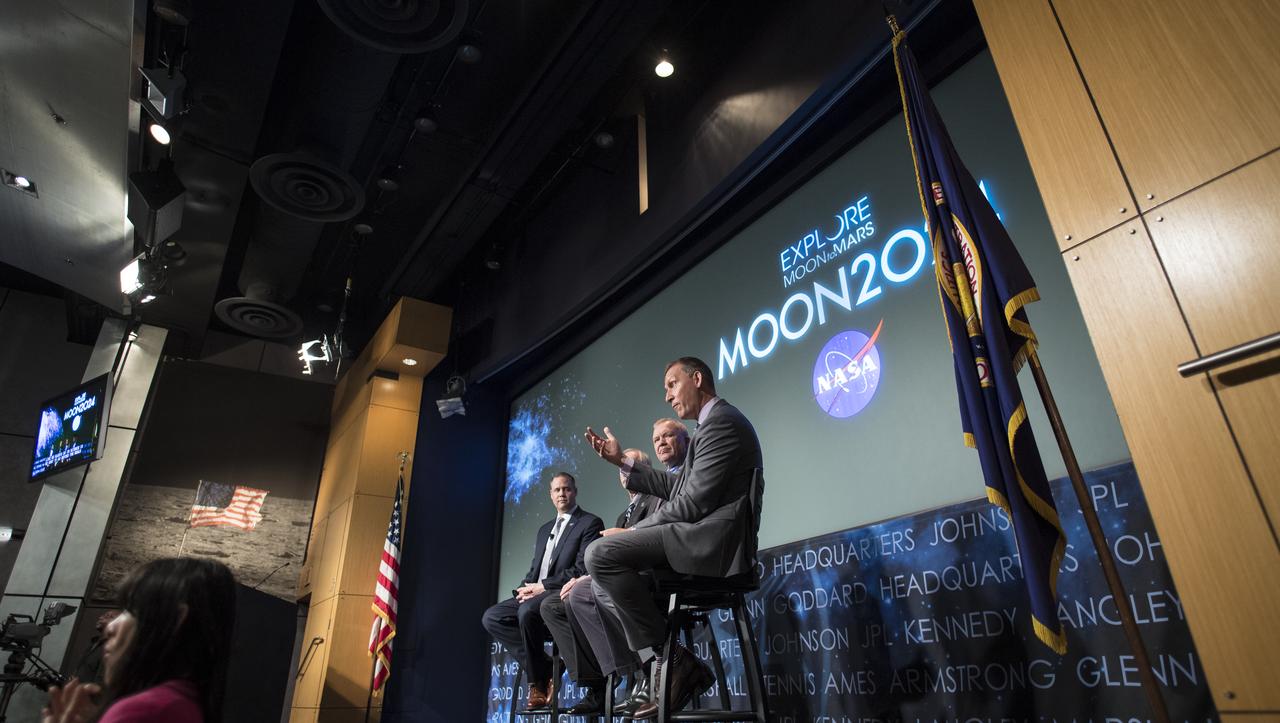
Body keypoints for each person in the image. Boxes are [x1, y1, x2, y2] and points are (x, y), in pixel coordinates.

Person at [585, 357, 763, 719]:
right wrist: (623, 461)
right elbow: (678, 486)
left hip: (711, 545)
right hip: (695, 536)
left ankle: (671, 662)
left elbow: (692, 504)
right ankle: (671, 661)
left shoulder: (722, 424)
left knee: (601, 555)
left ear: (696, 379)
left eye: (671, 384)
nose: (667, 396)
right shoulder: (710, 427)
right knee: (597, 584)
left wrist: (633, 531)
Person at [569, 418, 690, 715]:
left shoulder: (685, 477)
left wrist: (627, 535)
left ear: (686, 441)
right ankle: (643, 670)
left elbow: (674, 522)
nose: (661, 441)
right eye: (656, 438)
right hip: (650, 565)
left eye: (668, 436)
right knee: (581, 591)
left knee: (598, 580)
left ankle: (659, 664)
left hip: (677, 564)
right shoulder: (657, 486)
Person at [538, 447, 662, 715]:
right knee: (567, 598)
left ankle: (640, 667)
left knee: (585, 590)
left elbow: (655, 539)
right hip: (619, 578)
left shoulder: (655, 500)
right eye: (622, 470)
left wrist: (627, 535)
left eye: (630, 468)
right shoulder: (623, 514)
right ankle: (620, 673)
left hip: (645, 579)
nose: (625, 475)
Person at [42, 557, 237, 723]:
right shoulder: (183, 705)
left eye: (131, 610)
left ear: (173, 619)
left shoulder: (146, 711)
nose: (110, 627)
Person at [482, 472, 604, 711]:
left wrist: (543, 587)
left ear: (575, 491)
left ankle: (536, 682)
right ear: (550, 494)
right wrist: (525, 587)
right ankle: (544, 667)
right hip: (535, 592)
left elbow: (580, 569)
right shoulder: (544, 529)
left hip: (561, 593)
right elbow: (535, 569)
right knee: (492, 617)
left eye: (566, 489)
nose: (562, 493)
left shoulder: (589, 523)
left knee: (527, 613)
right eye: (557, 490)